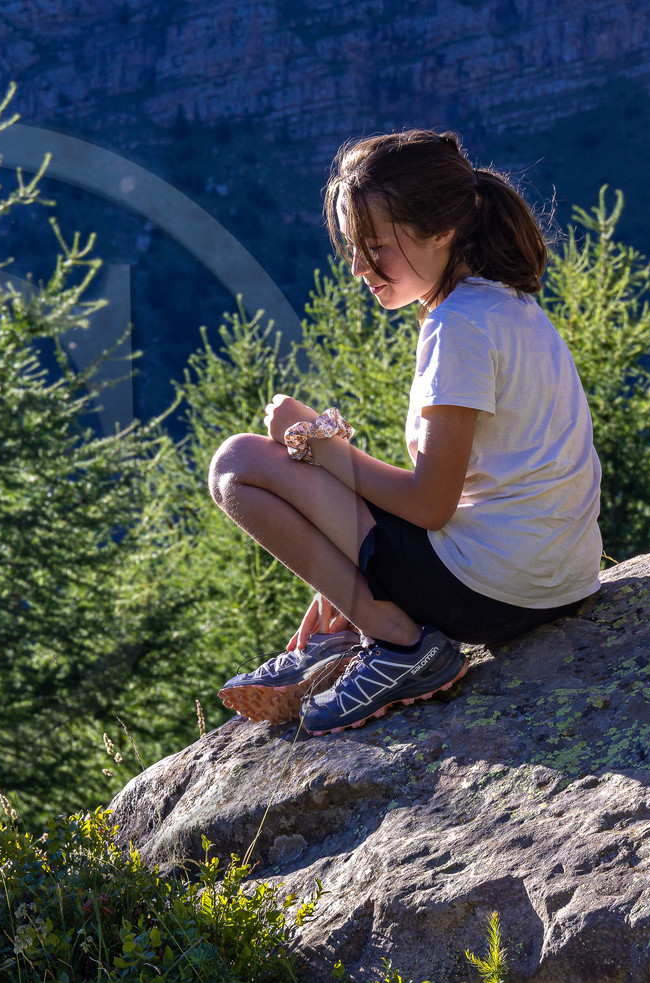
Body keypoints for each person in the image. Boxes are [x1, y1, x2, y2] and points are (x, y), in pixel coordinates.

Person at [208, 130, 602, 736]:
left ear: (441, 230)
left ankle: (395, 640)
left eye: (375, 248)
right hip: (559, 580)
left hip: (491, 592)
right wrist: (342, 572)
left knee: (237, 463)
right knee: (317, 490)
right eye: (353, 250)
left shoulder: (459, 327)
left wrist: (314, 441)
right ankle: (357, 619)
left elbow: (430, 502)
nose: (361, 269)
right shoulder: (504, 305)